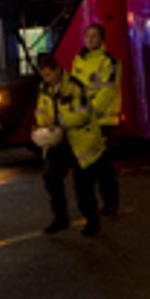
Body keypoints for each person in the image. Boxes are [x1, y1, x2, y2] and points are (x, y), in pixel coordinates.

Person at [35, 58, 104, 237]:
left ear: (58, 70)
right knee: (51, 177)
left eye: (48, 73)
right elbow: (41, 111)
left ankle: (92, 221)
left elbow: (82, 115)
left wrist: (58, 121)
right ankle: (61, 218)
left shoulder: (75, 86)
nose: (45, 77)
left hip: (81, 142)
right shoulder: (44, 88)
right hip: (59, 141)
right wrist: (43, 124)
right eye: (43, 74)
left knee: (83, 187)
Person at [71, 22, 122, 216]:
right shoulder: (79, 61)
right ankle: (89, 205)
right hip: (82, 122)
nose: (91, 39)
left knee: (102, 166)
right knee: (83, 166)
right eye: (88, 36)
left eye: (95, 36)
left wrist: (90, 113)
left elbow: (107, 92)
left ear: (101, 39)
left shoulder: (110, 62)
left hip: (102, 122)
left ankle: (110, 202)